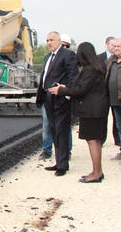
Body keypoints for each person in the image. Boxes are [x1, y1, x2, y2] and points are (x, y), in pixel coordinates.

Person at [50, 42, 109, 183]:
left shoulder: (89, 70)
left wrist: (61, 90)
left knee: (92, 141)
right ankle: (98, 171)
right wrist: (65, 87)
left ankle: (96, 173)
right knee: (96, 140)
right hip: (98, 109)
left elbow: (80, 90)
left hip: (91, 110)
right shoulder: (99, 67)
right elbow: (81, 86)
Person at [36, 31, 78, 176]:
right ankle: (59, 161)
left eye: (52, 40)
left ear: (59, 41)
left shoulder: (68, 55)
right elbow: (45, 77)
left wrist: (66, 93)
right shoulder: (48, 57)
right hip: (48, 98)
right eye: (47, 40)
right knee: (54, 130)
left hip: (61, 99)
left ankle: (63, 165)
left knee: (62, 131)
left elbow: (73, 76)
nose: (49, 42)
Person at [99, 36, 120, 146]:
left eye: (116, 45)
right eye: (112, 45)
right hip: (103, 93)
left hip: (116, 93)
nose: (114, 47)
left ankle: (118, 139)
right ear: (107, 44)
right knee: (103, 116)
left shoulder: (119, 57)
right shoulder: (99, 58)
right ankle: (101, 139)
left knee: (117, 117)